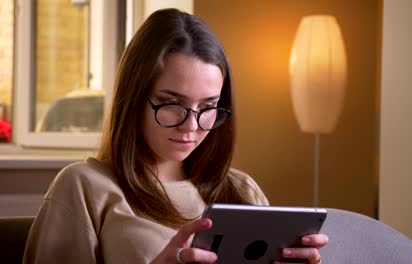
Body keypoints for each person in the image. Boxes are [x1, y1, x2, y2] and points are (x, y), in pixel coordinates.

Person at [23, 8, 328, 264]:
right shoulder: (84, 187)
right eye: (173, 104)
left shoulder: (241, 190)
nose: (191, 126)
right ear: (133, 99)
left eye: (208, 106)